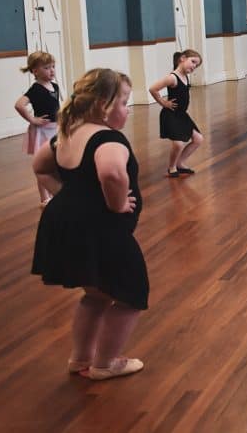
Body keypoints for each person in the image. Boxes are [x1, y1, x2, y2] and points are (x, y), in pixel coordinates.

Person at [31, 68, 147, 380]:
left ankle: (80, 359)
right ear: (102, 106)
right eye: (124, 103)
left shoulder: (67, 135)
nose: (127, 109)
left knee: (95, 294)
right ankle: (106, 364)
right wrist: (117, 203)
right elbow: (111, 173)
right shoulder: (108, 139)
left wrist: (68, 196)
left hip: (66, 224)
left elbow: (40, 166)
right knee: (132, 294)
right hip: (100, 230)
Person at [14, 51, 61, 207]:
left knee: (56, 162)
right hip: (42, 132)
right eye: (47, 68)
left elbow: (57, 108)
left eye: (53, 66)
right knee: (43, 164)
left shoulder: (55, 86)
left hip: (55, 129)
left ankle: (56, 192)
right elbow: (19, 105)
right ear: (35, 71)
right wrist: (32, 119)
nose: (52, 70)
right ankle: (44, 198)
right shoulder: (35, 89)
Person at [148, 50, 204, 178]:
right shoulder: (172, 77)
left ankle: (180, 163)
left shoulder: (185, 76)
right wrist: (163, 102)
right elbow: (153, 89)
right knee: (178, 143)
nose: (194, 66)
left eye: (196, 65)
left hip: (182, 115)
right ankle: (171, 167)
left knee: (198, 139)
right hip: (171, 114)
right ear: (182, 58)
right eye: (193, 62)